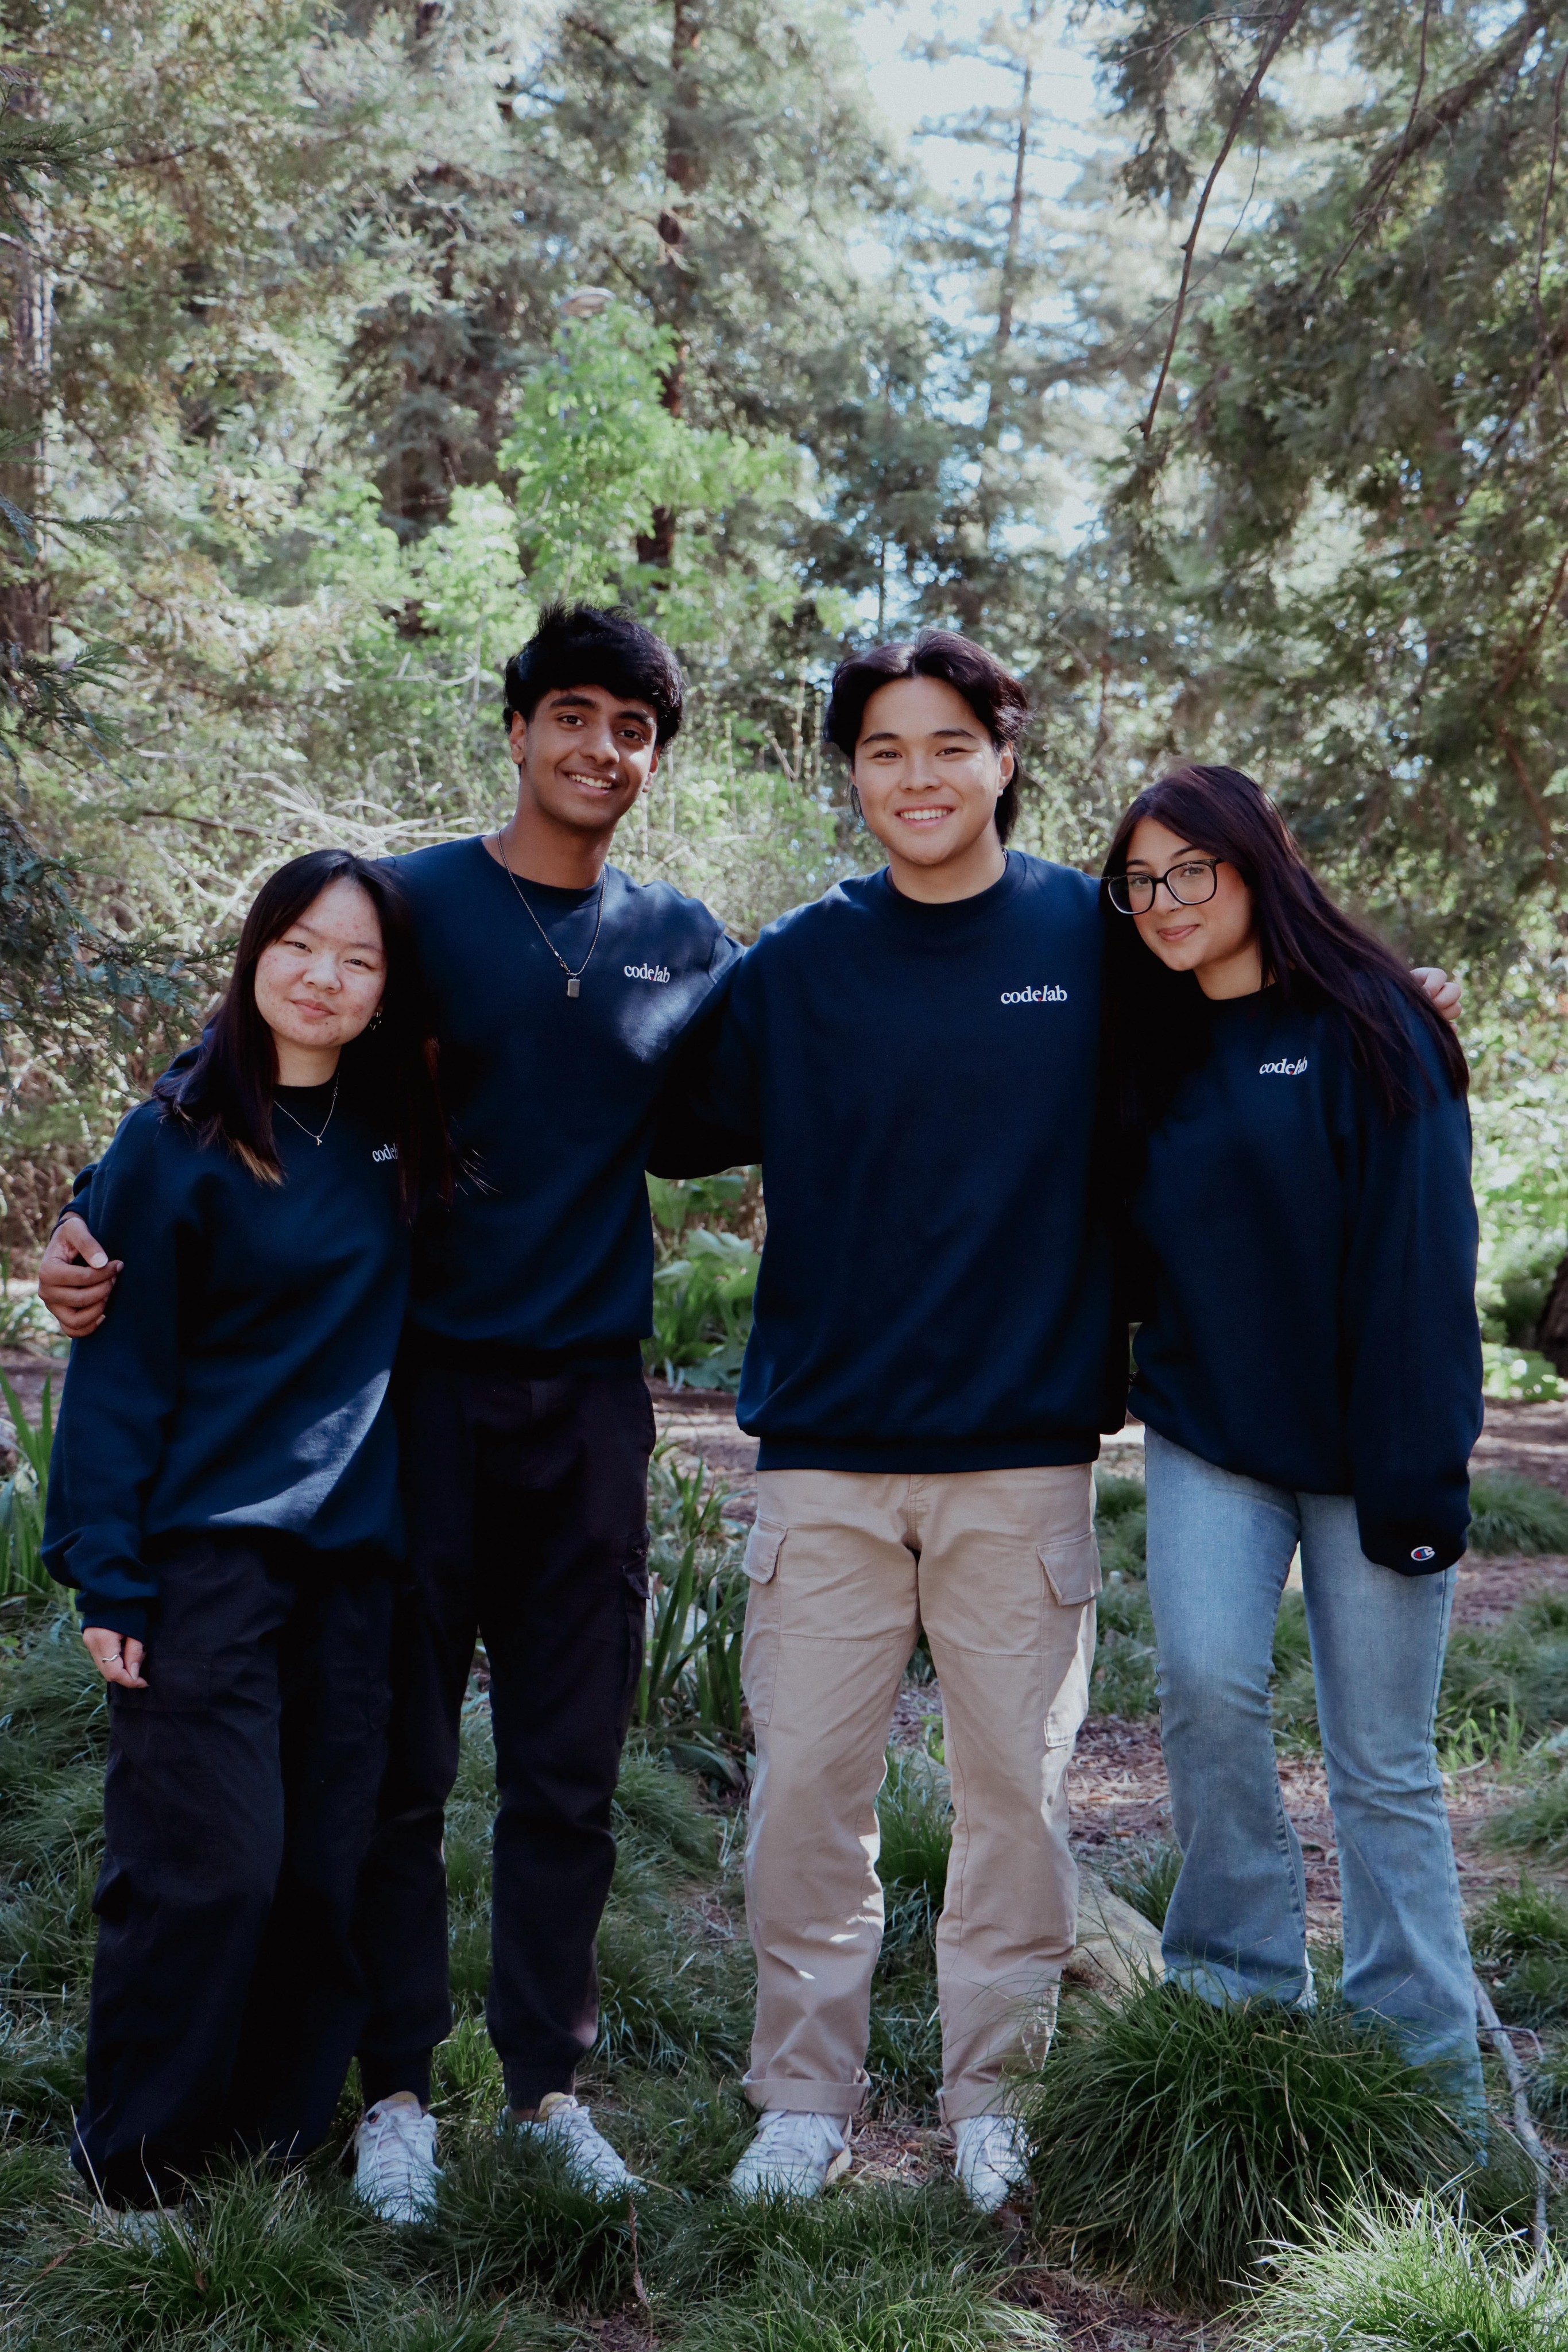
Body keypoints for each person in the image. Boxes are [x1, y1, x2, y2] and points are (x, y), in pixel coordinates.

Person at [672, 633, 1466, 2212]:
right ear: (851, 773)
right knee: (806, 1797)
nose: (918, 776)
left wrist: (1397, 1002)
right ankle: (802, 2100)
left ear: (1001, 757)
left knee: (1014, 1805)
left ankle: (999, 2100)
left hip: (1023, 1452)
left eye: (947, 745)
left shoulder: (1089, 935)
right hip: (825, 1450)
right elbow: (651, 1110)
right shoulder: (802, 958)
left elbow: (1244, 995)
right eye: (885, 750)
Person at [41, 604, 741, 2222]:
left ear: (653, 757)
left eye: (631, 728)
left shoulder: (682, 942)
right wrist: (94, 1224)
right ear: (516, 729)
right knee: (394, 1773)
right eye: (570, 715)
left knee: (567, 1764)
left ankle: (547, 2089)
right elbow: (257, 1036)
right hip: (409, 1398)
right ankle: (395, 2089)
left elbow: (762, 1095)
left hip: (588, 1405)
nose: (598, 750)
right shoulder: (415, 903)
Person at [42, 850, 446, 2210]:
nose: (325, 979)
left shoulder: (403, 1116)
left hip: (356, 1556)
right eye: (300, 946)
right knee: (206, 1865)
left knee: (322, 1867)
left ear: (390, 989)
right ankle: (133, 2167)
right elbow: (120, 1361)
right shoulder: (179, 1131)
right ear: (256, 949)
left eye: (359, 958)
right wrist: (107, 1568)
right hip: (204, 1546)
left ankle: (269, 2152)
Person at [1101, 763, 1485, 2106]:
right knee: (1205, 1693)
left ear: (1256, 863)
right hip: (1213, 1432)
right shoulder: (1139, 1046)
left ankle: (1423, 2064)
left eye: (1188, 872)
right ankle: (1234, 1994)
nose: (1163, 903)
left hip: (1372, 1444)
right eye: (1140, 881)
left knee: (1380, 1760)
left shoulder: (1378, 1026)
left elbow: (1426, 1269)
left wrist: (1421, 1477)